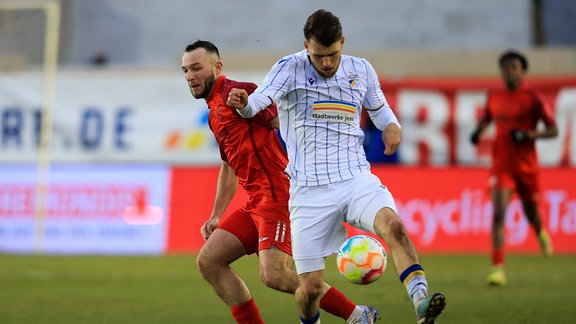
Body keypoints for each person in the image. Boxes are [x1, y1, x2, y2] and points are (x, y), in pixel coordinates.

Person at [227, 10, 446, 324]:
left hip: (355, 178)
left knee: (394, 227)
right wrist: (243, 103)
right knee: (310, 289)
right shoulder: (289, 68)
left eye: (332, 55)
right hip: (308, 191)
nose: (326, 63)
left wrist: (392, 126)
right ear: (307, 46)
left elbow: (380, 109)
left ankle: (422, 304)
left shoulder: (362, 69)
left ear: (343, 43)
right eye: (319, 56)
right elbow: (258, 104)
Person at [182, 40, 382, 324]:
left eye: (196, 68)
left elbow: (283, 121)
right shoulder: (214, 110)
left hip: (278, 195)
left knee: (274, 274)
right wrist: (216, 215)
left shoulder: (240, 93)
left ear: (217, 67)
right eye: (186, 70)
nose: (190, 76)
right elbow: (228, 165)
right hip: (256, 203)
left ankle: (359, 316)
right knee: (209, 261)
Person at [470, 50, 558, 287]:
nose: (510, 71)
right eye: (506, 67)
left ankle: (540, 232)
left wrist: (529, 134)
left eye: (514, 67)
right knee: (499, 213)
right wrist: (478, 131)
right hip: (502, 165)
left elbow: (553, 130)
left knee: (531, 211)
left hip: (527, 166)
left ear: (522, 70)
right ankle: (498, 269)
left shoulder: (533, 97)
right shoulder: (494, 95)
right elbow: (488, 116)